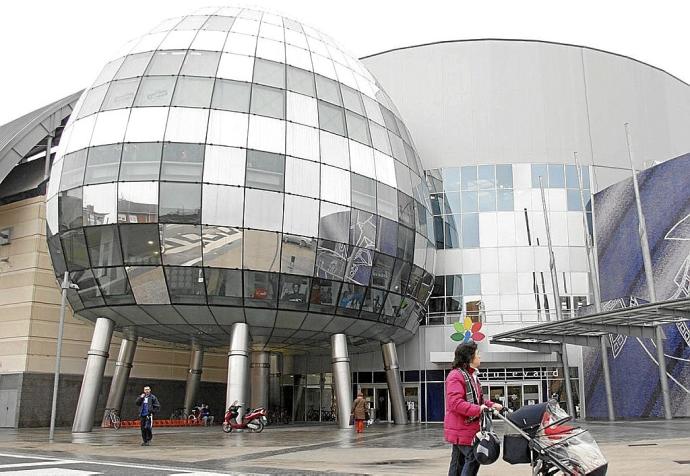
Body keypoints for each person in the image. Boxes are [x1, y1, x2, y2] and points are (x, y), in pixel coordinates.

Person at [444, 342, 503, 476]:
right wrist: (478, 409)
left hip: (466, 429)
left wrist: (491, 405)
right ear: (469, 357)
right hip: (462, 428)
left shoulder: (471, 376)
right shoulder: (456, 376)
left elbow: (479, 401)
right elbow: (456, 403)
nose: (480, 356)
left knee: (458, 463)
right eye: (477, 354)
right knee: (473, 458)